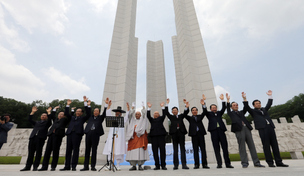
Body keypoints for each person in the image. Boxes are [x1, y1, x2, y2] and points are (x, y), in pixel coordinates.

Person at [242, 90, 289, 167]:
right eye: (256, 104)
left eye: (259, 103)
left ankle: (279, 162)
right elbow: (246, 107)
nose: (258, 104)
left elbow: (269, 104)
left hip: (270, 127)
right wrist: (244, 98)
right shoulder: (253, 111)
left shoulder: (264, 109)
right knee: (266, 145)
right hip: (262, 129)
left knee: (275, 145)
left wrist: (270, 96)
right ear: (254, 105)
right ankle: (270, 162)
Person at [226, 93, 264, 168]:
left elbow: (246, 107)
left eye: (236, 105)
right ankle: (244, 163)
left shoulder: (241, 112)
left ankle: (256, 162)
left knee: (252, 145)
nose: (236, 106)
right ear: (231, 107)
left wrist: (244, 99)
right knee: (242, 146)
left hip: (246, 128)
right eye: (234, 105)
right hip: (239, 130)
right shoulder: (231, 113)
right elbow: (227, 108)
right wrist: (228, 100)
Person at [202, 94, 233, 169]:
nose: (214, 108)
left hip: (221, 131)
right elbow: (205, 111)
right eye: (213, 108)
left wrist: (223, 100)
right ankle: (219, 163)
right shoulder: (208, 114)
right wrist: (204, 103)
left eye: (215, 107)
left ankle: (228, 163)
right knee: (216, 148)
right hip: (214, 132)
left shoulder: (219, 113)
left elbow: (224, 108)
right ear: (210, 109)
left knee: (225, 148)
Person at [60, 96, 91, 171]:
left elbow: (88, 114)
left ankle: (73, 166)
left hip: (77, 135)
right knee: (68, 150)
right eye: (77, 111)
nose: (77, 112)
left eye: (79, 111)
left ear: (81, 113)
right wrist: (68, 105)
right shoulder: (72, 118)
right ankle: (67, 166)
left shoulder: (83, 118)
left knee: (75, 150)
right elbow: (67, 113)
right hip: (70, 134)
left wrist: (85, 103)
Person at [38, 106, 72, 171]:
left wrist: (68, 107)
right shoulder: (55, 120)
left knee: (55, 151)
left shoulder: (65, 120)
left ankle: (53, 166)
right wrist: (54, 109)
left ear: (64, 116)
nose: (60, 115)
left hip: (58, 136)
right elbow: (51, 116)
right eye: (59, 114)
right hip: (51, 135)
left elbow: (69, 116)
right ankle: (44, 166)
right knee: (47, 151)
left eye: (62, 114)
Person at [80, 98, 110, 171]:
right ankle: (85, 166)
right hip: (88, 135)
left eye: (97, 111)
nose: (95, 112)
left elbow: (104, 113)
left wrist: (106, 104)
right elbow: (87, 111)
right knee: (87, 151)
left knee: (94, 151)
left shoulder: (100, 118)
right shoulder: (90, 117)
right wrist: (86, 103)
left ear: (99, 112)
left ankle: (93, 166)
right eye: (95, 111)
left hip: (95, 135)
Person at [20, 106, 53, 171]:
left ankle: (35, 166)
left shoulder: (47, 123)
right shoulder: (37, 123)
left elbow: (50, 120)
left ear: (46, 117)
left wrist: (49, 112)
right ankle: (27, 166)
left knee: (38, 153)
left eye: (44, 115)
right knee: (30, 153)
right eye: (42, 115)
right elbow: (29, 120)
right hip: (33, 138)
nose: (43, 116)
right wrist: (32, 112)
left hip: (40, 139)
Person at [103, 102, 129, 171]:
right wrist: (108, 106)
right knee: (110, 150)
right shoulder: (112, 119)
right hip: (112, 137)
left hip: (119, 138)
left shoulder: (123, 120)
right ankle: (110, 165)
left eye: (118, 113)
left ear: (121, 114)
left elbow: (127, 116)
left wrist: (128, 108)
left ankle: (118, 165)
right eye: (116, 113)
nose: (117, 114)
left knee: (119, 151)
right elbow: (108, 114)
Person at [164, 98, 189, 170]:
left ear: (177, 111)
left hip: (181, 133)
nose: (175, 111)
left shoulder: (181, 116)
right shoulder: (171, 117)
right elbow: (166, 112)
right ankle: (175, 165)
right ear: (172, 112)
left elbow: (186, 112)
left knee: (182, 149)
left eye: (176, 110)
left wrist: (186, 106)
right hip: (174, 134)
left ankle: (184, 164)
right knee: (175, 150)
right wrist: (167, 104)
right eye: (173, 110)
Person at [184, 100, 209, 169]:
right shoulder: (190, 118)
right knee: (195, 150)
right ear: (191, 112)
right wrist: (186, 107)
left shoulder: (200, 116)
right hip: (194, 135)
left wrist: (203, 105)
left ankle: (204, 164)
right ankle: (196, 164)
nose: (194, 111)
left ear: (197, 111)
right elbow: (185, 114)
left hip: (201, 134)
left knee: (203, 149)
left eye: (195, 110)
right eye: (193, 110)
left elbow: (204, 112)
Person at [125, 102, 149, 171]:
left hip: (140, 139)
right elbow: (129, 116)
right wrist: (132, 108)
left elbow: (145, 115)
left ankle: (140, 165)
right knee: (133, 152)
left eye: (138, 114)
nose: (137, 115)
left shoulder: (143, 120)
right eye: (136, 114)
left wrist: (144, 108)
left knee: (140, 152)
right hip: (132, 139)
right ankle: (133, 166)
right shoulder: (132, 121)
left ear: (140, 115)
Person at [147, 102, 167, 170]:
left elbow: (164, 114)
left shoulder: (161, 119)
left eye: (157, 113)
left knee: (162, 151)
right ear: (153, 115)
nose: (156, 114)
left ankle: (163, 165)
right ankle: (157, 165)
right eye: (155, 113)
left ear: (159, 115)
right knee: (155, 152)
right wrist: (149, 107)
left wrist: (162, 107)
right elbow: (148, 116)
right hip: (154, 137)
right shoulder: (151, 120)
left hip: (161, 136)